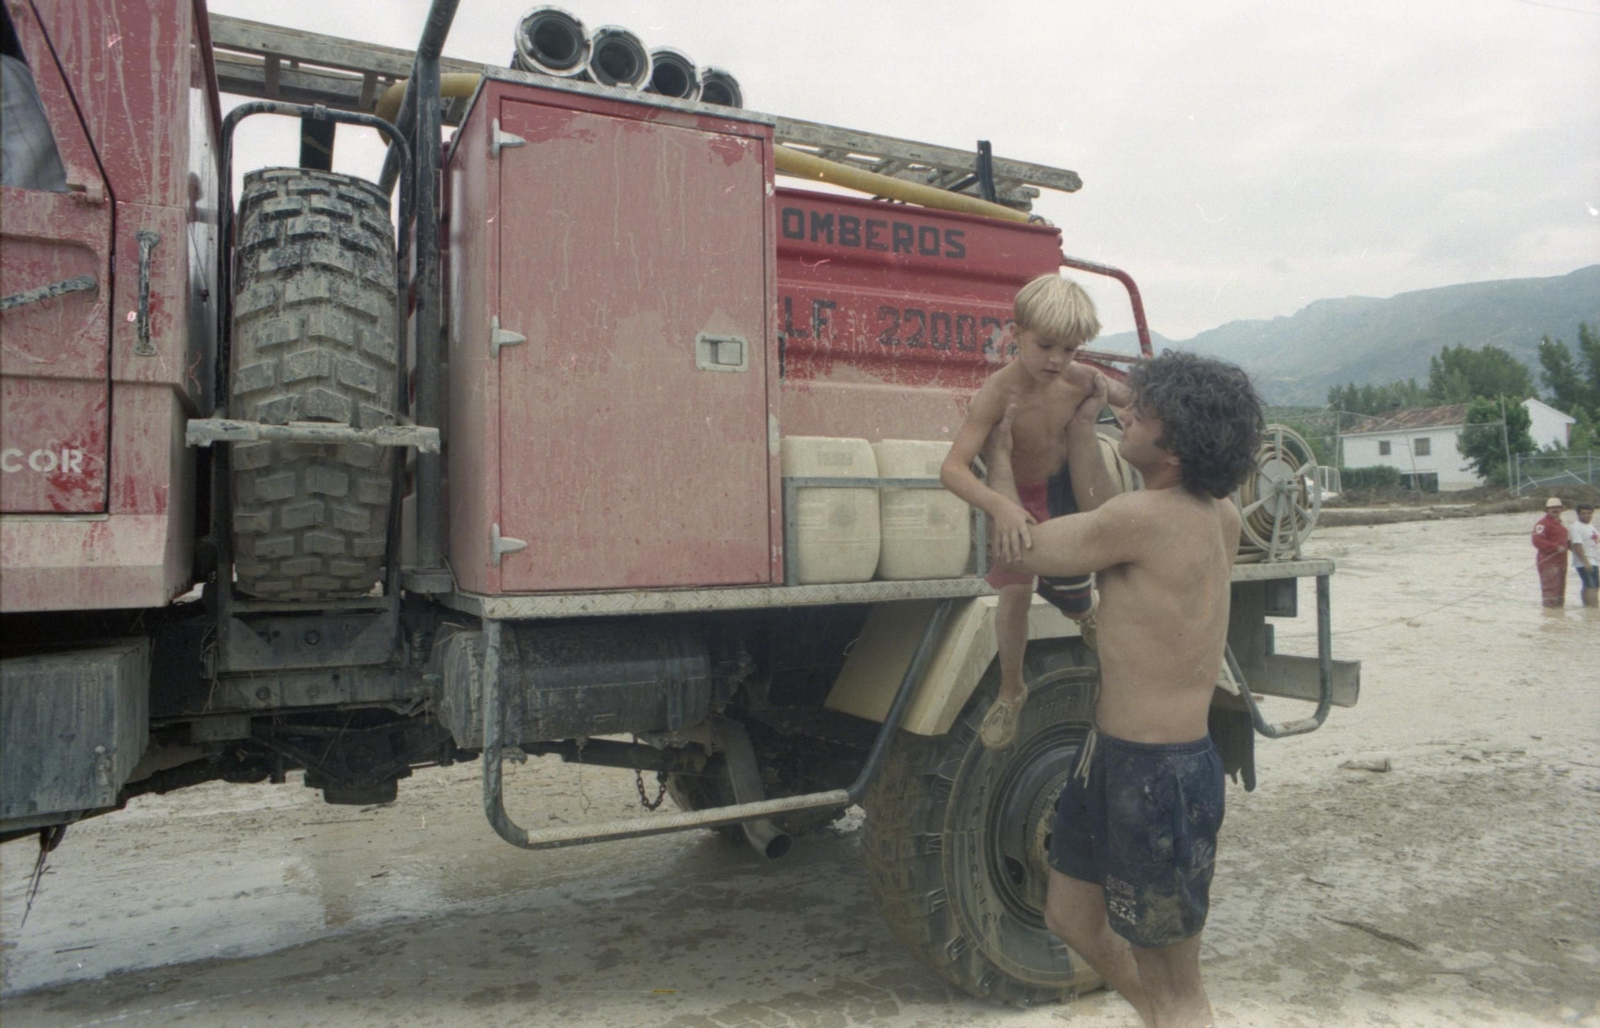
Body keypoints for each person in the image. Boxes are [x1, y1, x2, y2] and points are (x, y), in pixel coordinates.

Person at [985, 350, 1263, 1028]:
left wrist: (997, 458)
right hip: (1114, 756)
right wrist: (1083, 429)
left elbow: (1021, 548)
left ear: (1177, 443)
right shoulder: (1213, 513)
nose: (1128, 412)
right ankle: (1158, 1016)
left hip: (1159, 777)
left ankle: (1169, 1015)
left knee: (1179, 987)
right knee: (1071, 917)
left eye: (1145, 410)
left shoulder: (1143, 519)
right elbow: (1106, 515)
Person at [939, 273, 1133, 750]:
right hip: (1015, 495)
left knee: (1080, 589)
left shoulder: (1082, 378)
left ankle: (1084, 615)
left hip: (1065, 488)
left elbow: (1139, 402)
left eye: (1070, 349)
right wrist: (1000, 506)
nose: (1057, 360)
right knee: (1015, 592)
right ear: (1015, 333)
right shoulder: (995, 394)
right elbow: (952, 468)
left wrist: (1127, 414)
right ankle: (1011, 691)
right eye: (1045, 345)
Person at [1533, 498, 1571, 609]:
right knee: (1550, 590)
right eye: (1552, 508)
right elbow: (1537, 540)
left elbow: (1564, 541)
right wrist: (1555, 547)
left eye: (1558, 507)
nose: (1555, 510)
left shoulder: (1560, 523)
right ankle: (1549, 614)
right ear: (1547, 510)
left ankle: (1559, 616)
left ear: (1562, 509)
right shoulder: (1542, 524)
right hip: (1548, 561)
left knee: (1560, 590)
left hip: (1562, 561)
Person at [1569, 502, 1598, 609]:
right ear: (1578, 514)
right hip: (1584, 561)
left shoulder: (1590, 526)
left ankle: (1587, 607)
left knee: (1594, 585)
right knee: (1591, 586)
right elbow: (1577, 545)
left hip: (1594, 560)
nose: (1586, 515)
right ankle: (1594, 609)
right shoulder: (1576, 527)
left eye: (1589, 513)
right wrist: (1585, 562)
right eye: (1583, 513)